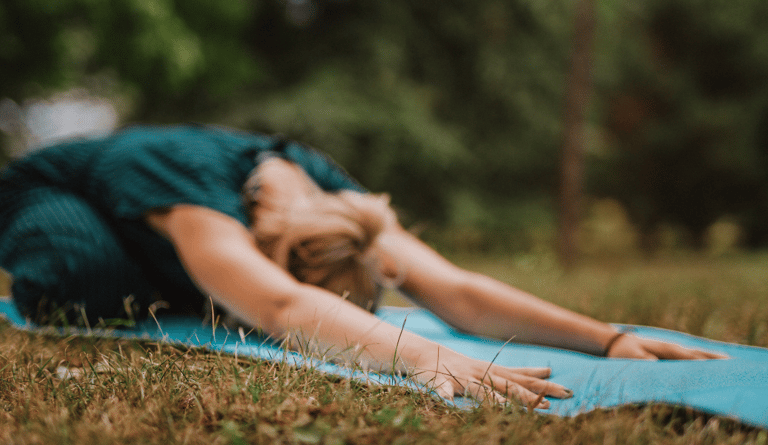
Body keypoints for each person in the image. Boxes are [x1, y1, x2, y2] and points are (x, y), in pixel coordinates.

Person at [0, 124, 725, 409]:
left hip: (189, 234)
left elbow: (457, 290)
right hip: (49, 196)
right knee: (87, 282)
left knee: (195, 290)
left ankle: (171, 275)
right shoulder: (196, 195)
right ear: (274, 254)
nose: (344, 322)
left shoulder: (338, 207)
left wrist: (604, 338)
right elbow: (283, 308)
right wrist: (423, 357)